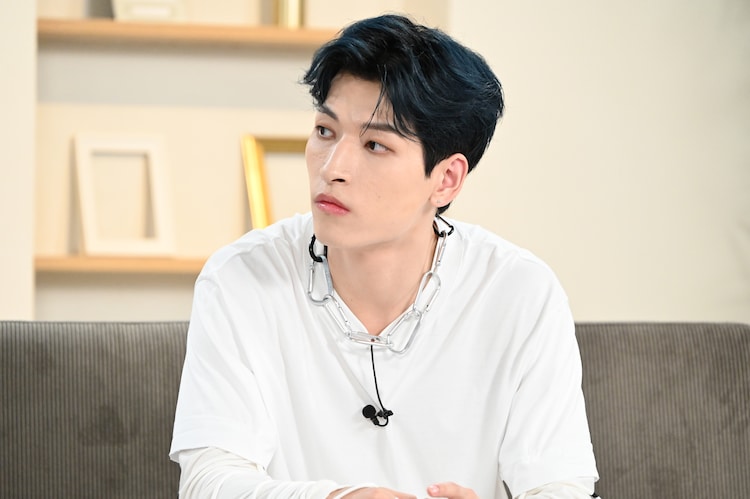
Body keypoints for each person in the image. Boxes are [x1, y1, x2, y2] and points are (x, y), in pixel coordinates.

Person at [170, 13, 600, 499]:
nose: (332, 168)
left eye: (375, 144)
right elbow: (208, 482)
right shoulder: (242, 277)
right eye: (325, 131)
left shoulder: (519, 292)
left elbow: (561, 487)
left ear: (446, 180)